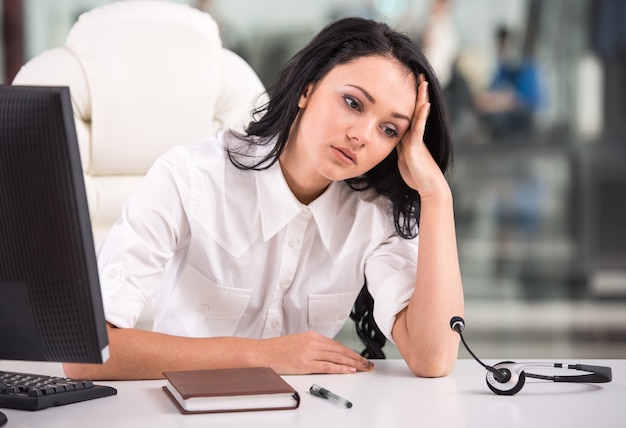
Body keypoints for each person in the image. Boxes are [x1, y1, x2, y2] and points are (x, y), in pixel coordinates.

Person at [64, 17, 464, 380]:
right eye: (353, 103)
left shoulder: (374, 213)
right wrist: (261, 356)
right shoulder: (190, 178)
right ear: (308, 88)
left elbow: (433, 358)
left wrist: (437, 196)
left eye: (390, 130)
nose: (362, 135)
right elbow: (85, 355)